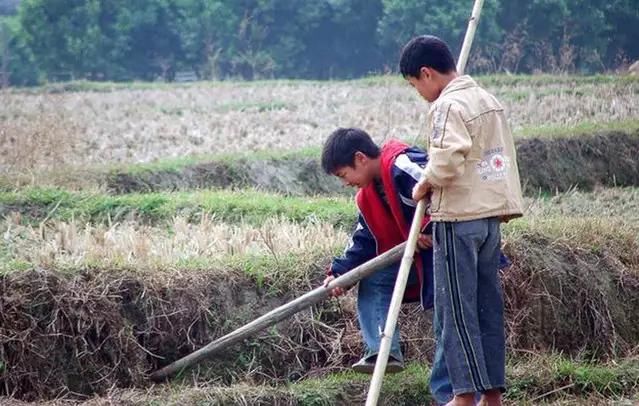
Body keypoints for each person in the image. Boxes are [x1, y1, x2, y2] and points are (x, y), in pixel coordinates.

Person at [401, 35, 524, 406]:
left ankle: (464, 397)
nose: (420, 93)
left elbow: (448, 160)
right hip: (490, 219)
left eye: (415, 85)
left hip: (457, 219)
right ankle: (492, 396)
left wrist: (423, 184)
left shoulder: (446, 106)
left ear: (426, 73)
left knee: (456, 311)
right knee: (487, 307)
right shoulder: (488, 101)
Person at [320, 127, 452, 400]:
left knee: (447, 325)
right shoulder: (367, 197)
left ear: (360, 158)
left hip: (447, 256)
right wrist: (340, 273)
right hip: (415, 260)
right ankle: (383, 350)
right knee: (375, 279)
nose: (346, 183)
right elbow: (364, 239)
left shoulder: (403, 166)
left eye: (344, 175)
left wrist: (428, 228)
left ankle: (449, 396)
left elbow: (446, 189)